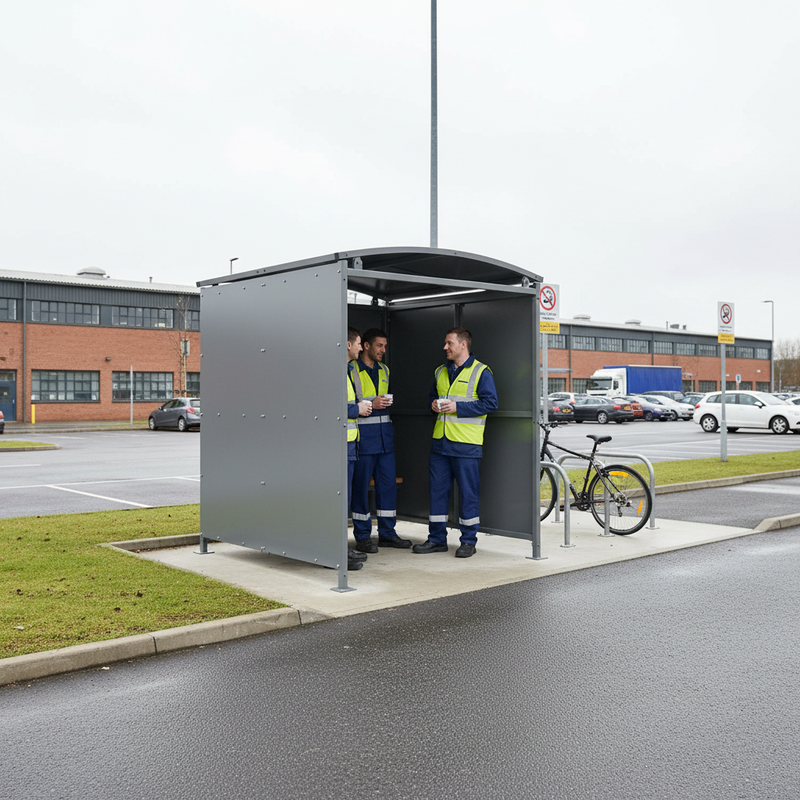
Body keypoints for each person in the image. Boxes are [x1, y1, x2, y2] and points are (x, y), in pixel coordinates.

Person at [413, 327, 498, 558]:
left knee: (468, 494)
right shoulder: (440, 371)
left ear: (463, 345)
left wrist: (458, 408)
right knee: (437, 492)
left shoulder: (482, 372)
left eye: (449, 343)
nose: (445, 347)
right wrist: (433, 405)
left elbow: (491, 404)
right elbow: (434, 396)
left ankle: (468, 541)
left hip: (467, 445)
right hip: (440, 444)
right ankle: (437, 539)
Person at [350, 328, 412, 552]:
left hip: (385, 440)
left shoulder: (385, 369)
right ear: (366, 345)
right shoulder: (351, 369)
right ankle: (363, 536)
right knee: (360, 489)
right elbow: (351, 402)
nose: (383, 350)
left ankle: (387, 533)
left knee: (388, 488)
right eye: (379, 346)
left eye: (384, 346)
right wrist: (371, 403)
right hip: (363, 441)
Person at [345, 327, 373, 571]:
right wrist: (358, 409)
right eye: (358, 343)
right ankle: (337, 551)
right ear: (347, 345)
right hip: (340, 446)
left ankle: (340, 549)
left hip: (350, 444)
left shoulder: (346, 371)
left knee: (345, 498)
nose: (360, 346)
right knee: (340, 499)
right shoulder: (336, 371)